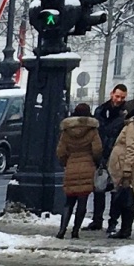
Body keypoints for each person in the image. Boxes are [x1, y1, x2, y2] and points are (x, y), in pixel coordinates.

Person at [55, 100, 102, 239]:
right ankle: (75, 231)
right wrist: (95, 161)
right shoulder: (92, 131)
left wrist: (66, 162)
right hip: (88, 166)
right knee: (82, 201)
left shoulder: (66, 131)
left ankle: (62, 230)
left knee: (69, 201)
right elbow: (97, 150)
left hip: (71, 166)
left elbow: (60, 151)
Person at [87, 84, 132, 229]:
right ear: (111, 94)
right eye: (117, 96)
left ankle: (113, 222)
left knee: (115, 191)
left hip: (117, 155)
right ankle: (97, 220)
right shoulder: (100, 110)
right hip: (101, 153)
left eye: (122, 97)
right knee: (99, 188)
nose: (119, 100)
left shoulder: (127, 114)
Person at [105, 107, 134, 238]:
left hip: (126, 165)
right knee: (130, 195)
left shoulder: (132, 127)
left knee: (126, 196)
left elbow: (131, 149)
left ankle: (125, 229)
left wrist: (127, 169)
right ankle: (125, 228)